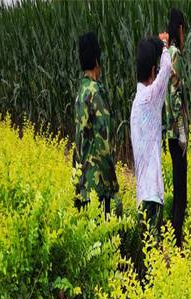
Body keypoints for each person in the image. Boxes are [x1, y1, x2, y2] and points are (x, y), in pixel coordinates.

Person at [130, 33, 173, 276]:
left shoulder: (137, 102)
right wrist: (165, 44)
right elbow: (167, 70)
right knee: (152, 254)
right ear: (152, 69)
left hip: (141, 194)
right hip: (151, 194)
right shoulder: (149, 99)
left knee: (145, 252)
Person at [73, 31, 119, 216]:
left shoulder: (80, 92)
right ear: (97, 61)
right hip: (98, 184)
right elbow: (103, 143)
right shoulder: (95, 93)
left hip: (82, 183)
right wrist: (113, 185)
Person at [165, 8, 188, 247]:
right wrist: (183, 134)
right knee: (181, 190)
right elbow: (176, 96)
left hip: (168, 133)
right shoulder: (176, 55)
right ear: (180, 29)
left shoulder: (165, 53)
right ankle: (177, 241)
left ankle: (175, 235)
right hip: (177, 133)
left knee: (177, 184)